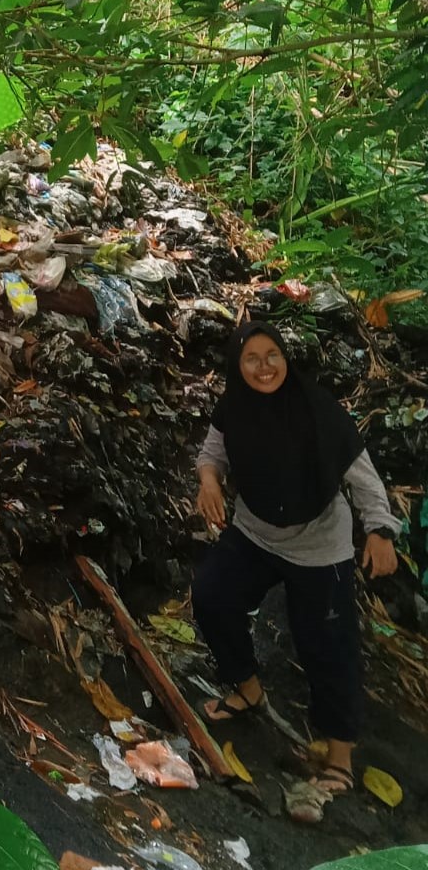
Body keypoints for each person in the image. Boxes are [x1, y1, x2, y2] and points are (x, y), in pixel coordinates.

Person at [192, 321, 399, 804]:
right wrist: (208, 482)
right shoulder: (235, 407)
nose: (264, 367)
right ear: (237, 366)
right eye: (252, 358)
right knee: (212, 594)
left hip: (319, 545)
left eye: (272, 356)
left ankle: (341, 757)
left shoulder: (318, 410)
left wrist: (380, 529)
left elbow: (362, 476)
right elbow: (211, 454)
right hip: (255, 531)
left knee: (328, 645)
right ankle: (247, 689)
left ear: (286, 358)